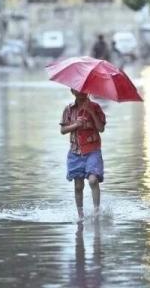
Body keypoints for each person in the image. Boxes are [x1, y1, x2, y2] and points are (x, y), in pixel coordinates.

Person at [60, 88, 106, 220]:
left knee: (93, 180)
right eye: (78, 91)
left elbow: (101, 128)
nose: (81, 93)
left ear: (88, 92)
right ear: (72, 91)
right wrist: (75, 125)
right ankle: (80, 216)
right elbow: (63, 130)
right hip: (75, 152)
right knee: (78, 185)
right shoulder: (68, 109)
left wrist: (91, 112)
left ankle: (97, 211)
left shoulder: (96, 107)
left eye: (84, 90)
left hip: (92, 150)